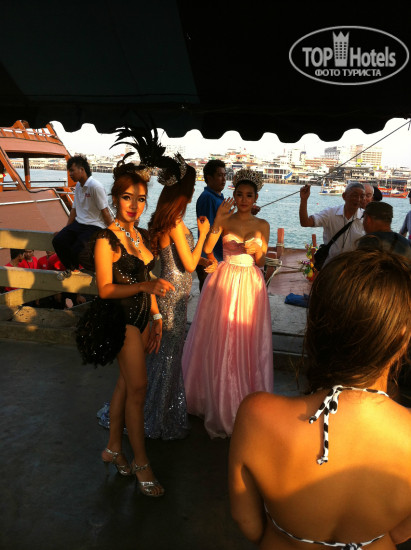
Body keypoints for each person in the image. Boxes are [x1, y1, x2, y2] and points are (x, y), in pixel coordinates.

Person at [229, 249, 411, 549]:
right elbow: (403, 532)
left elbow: (246, 521)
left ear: (316, 327)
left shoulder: (256, 415)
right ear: (402, 337)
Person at [76, 158, 174, 497]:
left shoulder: (140, 235)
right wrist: (146, 288)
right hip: (121, 321)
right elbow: (105, 289)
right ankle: (141, 463)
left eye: (141, 198)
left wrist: (157, 317)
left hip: (144, 318)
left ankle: (113, 448)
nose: (134, 205)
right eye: (127, 197)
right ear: (115, 198)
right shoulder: (106, 239)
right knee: (138, 388)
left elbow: (147, 278)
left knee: (125, 384)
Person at [182, 169, 273, 439]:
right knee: (220, 337)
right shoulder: (226, 218)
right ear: (234, 195)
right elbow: (209, 249)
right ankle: (215, 397)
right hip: (224, 278)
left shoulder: (263, 224)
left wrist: (258, 251)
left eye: (248, 195)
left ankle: (243, 397)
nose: (243, 200)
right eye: (239, 194)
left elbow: (261, 262)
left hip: (250, 283)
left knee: (246, 337)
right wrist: (218, 221)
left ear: (255, 198)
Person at [144, 154, 211, 440]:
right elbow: (190, 265)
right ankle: (156, 415)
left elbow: (186, 261)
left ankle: (162, 409)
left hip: (178, 292)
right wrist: (204, 233)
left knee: (170, 354)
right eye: (192, 187)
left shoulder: (175, 220)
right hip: (172, 294)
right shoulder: (173, 223)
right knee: (168, 356)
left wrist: (203, 253)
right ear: (183, 191)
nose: (194, 191)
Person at [52, 155, 113, 280]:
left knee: (78, 250)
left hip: (95, 225)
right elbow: (74, 210)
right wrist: (65, 230)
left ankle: (100, 271)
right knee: (58, 240)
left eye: (72, 170)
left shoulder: (95, 186)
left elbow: (105, 211)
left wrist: (114, 231)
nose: (70, 174)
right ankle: (72, 269)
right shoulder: (78, 186)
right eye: (69, 171)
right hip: (79, 224)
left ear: (82, 170)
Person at [299, 181, 365, 267]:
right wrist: (304, 200)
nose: (358, 199)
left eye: (362, 196)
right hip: (329, 267)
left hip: (353, 269)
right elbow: (305, 222)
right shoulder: (330, 213)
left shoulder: (366, 218)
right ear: (344, 196)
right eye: (355, 195)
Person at [195, 159, 226, 291]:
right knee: (209, 295)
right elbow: (207, 229)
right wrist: (209, 257)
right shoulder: (208, 198)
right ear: (209, 178)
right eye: (219, 175)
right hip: (210, 257)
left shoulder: (218, 197)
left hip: (218, 255)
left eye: (224, 175)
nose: (224, 179)